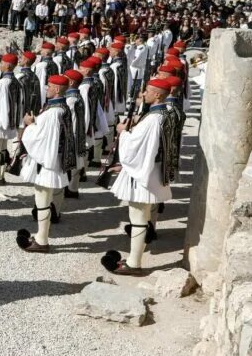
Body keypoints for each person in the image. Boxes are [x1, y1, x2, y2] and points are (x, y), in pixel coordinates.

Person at [101, 79, 175, 276]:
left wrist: (122, 132)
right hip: (153, 170)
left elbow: (136, 146)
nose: (144, 94)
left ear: (158, 94)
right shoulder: (164, 113)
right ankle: (135, 258)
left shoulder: (153, 119)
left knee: (138, 216)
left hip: (145, 172)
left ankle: (134, 263)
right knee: (141, 215)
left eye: (148, 91)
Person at [15, 75, 75, 253]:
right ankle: (41, 236)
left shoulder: (53, 113)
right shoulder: (62, 108)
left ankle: (42, 240)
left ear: (57, 89)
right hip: (54, 161)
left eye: (49, 86)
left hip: (47, 163)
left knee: (42, 201)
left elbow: (42, 139)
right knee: (44, 200)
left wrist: (29, 125)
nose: (46, 88)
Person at [0, 53, 22, 183]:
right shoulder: (15, 81)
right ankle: (1, 174)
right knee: (3, 148)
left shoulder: (3, 83)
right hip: (10, 119)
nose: (0, 65)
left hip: (0, 120)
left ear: (8, 65)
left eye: (2, 63)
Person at [62, 69, 89, 200]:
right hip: (78, 133)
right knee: (77, 160)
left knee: (71, 162)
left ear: (71, 82)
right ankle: (73, 188)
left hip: (71, 134)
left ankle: (70, 189)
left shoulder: (70, 100)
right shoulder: (77, 97)